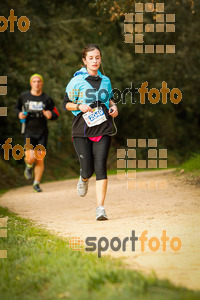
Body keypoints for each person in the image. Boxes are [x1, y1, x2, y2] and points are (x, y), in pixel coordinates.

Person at [63, 44, 118, 220]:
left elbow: (109, 98)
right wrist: (79, 106)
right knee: (88, 169)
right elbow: (66, 103)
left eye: (97, 57)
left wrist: (114, 107)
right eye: (91, 58)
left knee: (101, 166)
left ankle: (100, 208)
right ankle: (84, 177)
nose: (95, 61)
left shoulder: (106, 80)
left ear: (101, 59)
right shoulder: (76, 81)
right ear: (84, 60)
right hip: (81, 129)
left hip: (103, 128)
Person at [15, 74, 59, 192]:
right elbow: (16, 108)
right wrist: (19, 114)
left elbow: (56, 113)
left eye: (39, 81)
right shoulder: (24, 97)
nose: (36, 83)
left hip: (42, 133)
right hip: (28, 132)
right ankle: (29, 166)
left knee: (40, 159)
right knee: (30, 158)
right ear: (31, 83)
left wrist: (50, 115)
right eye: (34, 81)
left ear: (42, 83)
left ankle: (36, 183)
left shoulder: (47, 99)